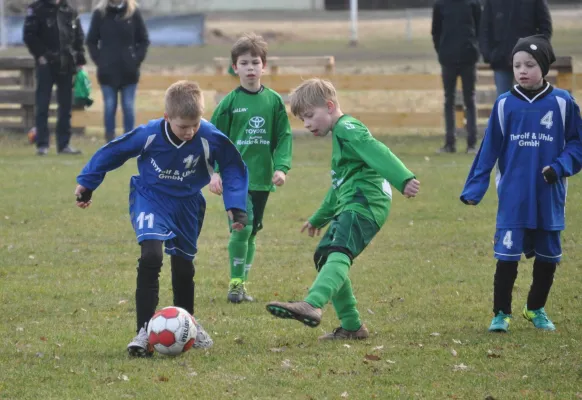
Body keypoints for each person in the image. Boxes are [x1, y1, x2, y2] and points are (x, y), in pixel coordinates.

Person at [74, 80, 250, 356]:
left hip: (188, 205)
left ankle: (188, 325)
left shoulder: (209, 136)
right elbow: (114, 151)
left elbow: (233, 167)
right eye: (183, 126)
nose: (190, 132)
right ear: (167, 118)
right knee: (151, 256)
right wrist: (87, 183)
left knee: (183, 268)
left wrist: (236, 205)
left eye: (195, 124)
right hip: (151, 198)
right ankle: (144, 332)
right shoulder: (150, 133)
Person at [266, 78, 420, 340]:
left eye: (310, 116)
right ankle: (352, 326)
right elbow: (338, 187)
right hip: (354, 202)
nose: (307, 124)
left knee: (338, 251)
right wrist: (318, 218)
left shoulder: (348, 127)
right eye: (303, 120)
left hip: (364, 203)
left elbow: (377, 150)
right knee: (325, 256)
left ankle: (312, 304)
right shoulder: (340, 136)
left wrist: (403, 178)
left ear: (329, 106)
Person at [460, 35, 582, 333]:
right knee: (507, 258)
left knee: (548, 258)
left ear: (543, 67)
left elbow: (578, 144)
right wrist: (475, 189)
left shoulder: (563, 102)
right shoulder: (505, 105)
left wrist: (559, 167)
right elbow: (488, 150)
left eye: (529, 64)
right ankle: (501, 314)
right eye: (517, 65)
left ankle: (535, 308)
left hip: (548, 195)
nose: (522, 70)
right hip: (513, 196)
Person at [209, 33, 292, 304]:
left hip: (262, 178)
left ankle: (242, 284)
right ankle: (234, 284)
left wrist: (281, 168)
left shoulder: (274, 102)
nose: (250, 68)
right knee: (241, 228)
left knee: (253, 231)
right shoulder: (228, 104)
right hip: (235, 179)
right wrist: (215, 172)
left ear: (264, 66)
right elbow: (213, 140)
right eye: (244, 63)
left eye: (255, 62)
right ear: (235, 68)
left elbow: (283, 137)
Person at [23, 0, 86, 156]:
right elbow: (29, 35)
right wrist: (41, 55)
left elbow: (78, 37)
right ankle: (42, 144)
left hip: (66, 64)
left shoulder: (69, 11)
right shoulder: (36, 9)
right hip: (46, 65)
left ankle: (64, 144)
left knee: (65, 106)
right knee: (42, 104)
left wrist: (80, 59)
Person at [86, 0, 150, 142]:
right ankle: (110, 140)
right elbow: (91, 40)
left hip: (129, 70)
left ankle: (130, 140)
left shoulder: (133, 13)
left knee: (128, 106)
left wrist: (136, 59)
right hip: (107, 71)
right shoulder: (100, 14)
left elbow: (143, 39)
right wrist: (100, 60)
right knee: (109, 106)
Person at [431, 0, 481, 154]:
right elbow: (436, 31)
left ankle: (472, 143)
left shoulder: (473, 3)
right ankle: (449, 143)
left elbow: (480, 28)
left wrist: (474, 49)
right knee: (449, 100)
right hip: (448, 59)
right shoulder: (440, 5)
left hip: (468, 58)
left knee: (469, 100)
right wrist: (442, 51)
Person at [479, 0, 552, 96]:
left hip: (528, 60)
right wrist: (488, 54)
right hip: (501, 60)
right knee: (504, 103)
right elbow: (485, 28)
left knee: (529, 101)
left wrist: (536, 51)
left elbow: (545, 28)